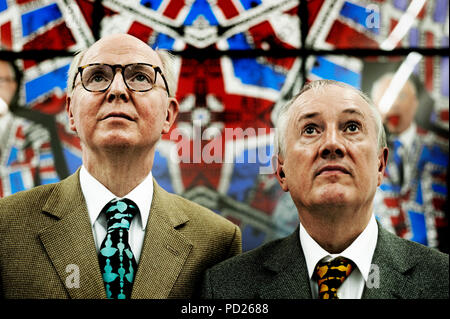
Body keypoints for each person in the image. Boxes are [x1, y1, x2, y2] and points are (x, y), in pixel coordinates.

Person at [0, 34, 241, 299]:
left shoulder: (217, 241)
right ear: (70, 112)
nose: (117, 90)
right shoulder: (7, 226)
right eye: (97, 77)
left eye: (140, 77)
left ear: (169, 115)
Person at [200, 80, 448, 299]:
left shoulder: (442, 281)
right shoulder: (226, 288)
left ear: (380, 165)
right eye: (310, 130)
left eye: (351, 127)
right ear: (282, 172)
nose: (331, 143)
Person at [371, 74, 448, 252]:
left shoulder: (441, 148)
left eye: (402, 97)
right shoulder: (364, 154)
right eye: (386, 99)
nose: (394, 105)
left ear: (415, 103)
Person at [0, 58, 59, 197]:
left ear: (14, 85)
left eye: (0, 81)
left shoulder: (34, 132)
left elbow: (50, 190)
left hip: (20, 215)